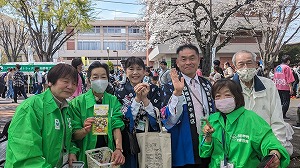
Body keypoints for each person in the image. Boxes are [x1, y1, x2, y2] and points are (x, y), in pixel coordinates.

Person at [200, 79, 290, 168]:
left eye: (227, 95)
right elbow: (204, 153)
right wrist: (208, 138)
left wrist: (274, 154)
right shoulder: (212, 120)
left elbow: (268, 140)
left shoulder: (251, 119)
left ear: (237, 97)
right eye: (218, 96)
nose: (222, 99)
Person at [5, 63, 79, 167]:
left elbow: (67, 137)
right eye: (65, 81)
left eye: (74, 83)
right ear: (50, 82)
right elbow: (26, 154)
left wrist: (72, 150)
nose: (70, 86)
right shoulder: (32, 106)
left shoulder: (67, 107)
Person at [161, 44, 215, 167]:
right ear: (178, 63)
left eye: (192, 58)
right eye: (183, 59)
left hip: (209, 139)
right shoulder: (170, 86)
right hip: (184, 144)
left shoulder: (207, 84)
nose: (188, 62)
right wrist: (177, 93)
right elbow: (169, 120)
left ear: (198, 60)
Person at [232, 50, 294, 155]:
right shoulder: (228, 88)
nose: (246, 67)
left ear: (256, 64)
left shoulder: (268, 85)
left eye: (249, 63)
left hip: (266, 142)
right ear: (235, 67)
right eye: (241, 64)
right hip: (238, 146)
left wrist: (276, 147)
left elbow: (277, 119)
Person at [69, 61, 125, 167]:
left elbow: (116, 125)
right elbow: (73, 134)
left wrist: (118, 148)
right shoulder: (78, 103)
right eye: (95, 77)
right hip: (86, 153)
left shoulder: (113, 100)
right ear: (89, 79)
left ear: (108, 79)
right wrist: (84, 130)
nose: (99, 80)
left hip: (107, 154)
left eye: (103, 77)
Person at [115, 57, 161, 168]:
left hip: (150, 138)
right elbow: (121, 118)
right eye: (131, 69)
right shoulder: (119, 91)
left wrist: (145, 99)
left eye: (139, 69)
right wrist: (136, 100)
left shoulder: (154, 89)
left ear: (144, 71)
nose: (135, 73)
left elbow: (159, 118)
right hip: (128, 140)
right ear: (125, 71)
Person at [273, 55, 295, 120]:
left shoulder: (277, 67)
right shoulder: (287, 68)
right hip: (285, 87)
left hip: (277, 86)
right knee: (286, 102)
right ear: (288, 61)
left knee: (279, 102)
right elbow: (289, 78)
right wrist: (291, 87)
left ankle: (278, 114)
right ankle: (283, 115)